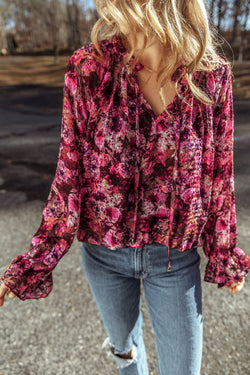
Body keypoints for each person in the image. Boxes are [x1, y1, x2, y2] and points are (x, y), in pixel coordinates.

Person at [0, 0, 250, 374]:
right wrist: (33, 262)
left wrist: (224, 251)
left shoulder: (210, 77)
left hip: (174, 261)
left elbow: (219, 176)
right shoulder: (88, 70)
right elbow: (69, 177)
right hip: (104, 258)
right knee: (125, 352)